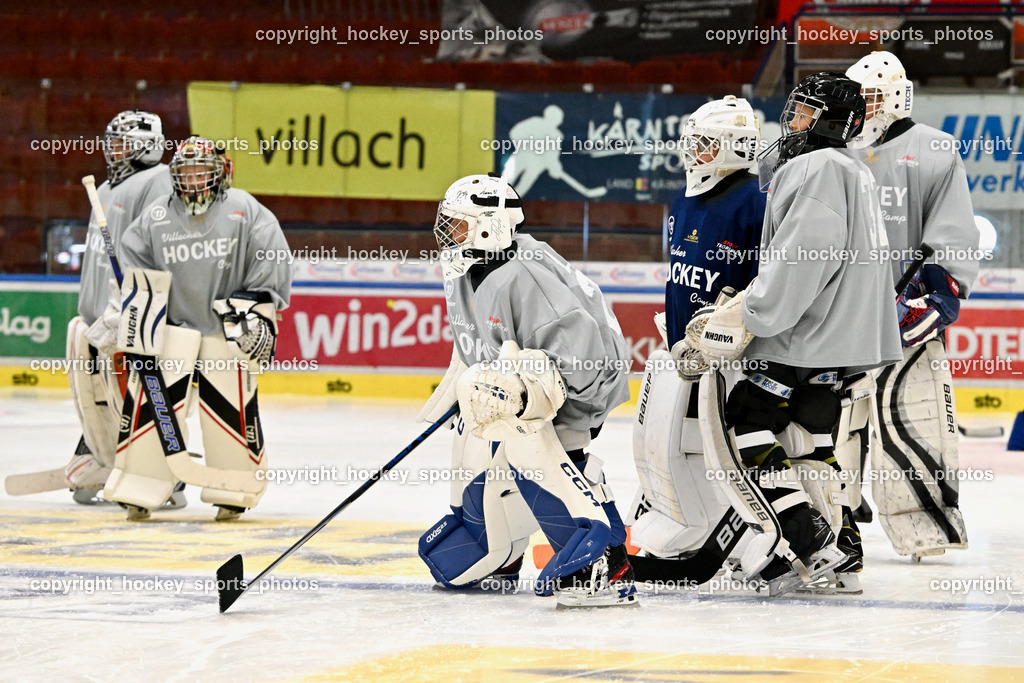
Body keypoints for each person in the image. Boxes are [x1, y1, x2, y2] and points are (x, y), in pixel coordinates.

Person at [689, 72, 901, 591]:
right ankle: (844, 547)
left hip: (808, 335)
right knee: (813, 438)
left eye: (806, 112)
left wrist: (750, 312)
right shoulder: (854, 169)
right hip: (841, 340)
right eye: (795, 109)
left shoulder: (819, 167)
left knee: (748, 420)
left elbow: (802, 260)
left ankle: (811, 541)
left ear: (832, 121)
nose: (793, 120)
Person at [416, 173, 636, 607]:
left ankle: (606, 566)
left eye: (457, 224)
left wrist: (526, 402)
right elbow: (477, 343)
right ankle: (498, 550)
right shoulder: (467, 267)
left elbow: (584, 361)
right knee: (476, 453)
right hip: (525, 382)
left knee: (540, 460)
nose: (446, 233)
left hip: (576, 389)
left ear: (489, 227)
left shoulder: (526, 276)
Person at [105, 136, 291, 521]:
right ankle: (139, 483)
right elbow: (137, 270)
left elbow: (271, 259)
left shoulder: (245, 209)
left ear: (220, 172)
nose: (192, 180)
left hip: (225, 330)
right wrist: (140, 320)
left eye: (200, 172)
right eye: (185, 173)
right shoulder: (156, 215)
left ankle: (234, 488)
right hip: (170, 330)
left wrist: (255, 311)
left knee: (230, 412)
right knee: (150, 409)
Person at [839, 51, 979, 560]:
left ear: (900, 95)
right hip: (841, 318)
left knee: (914, 419)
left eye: (874, 95)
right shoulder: (839, 152)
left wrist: (941, 290)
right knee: (839, 427)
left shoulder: (934, 149)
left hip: (906, 314)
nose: (867, 107)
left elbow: (953, 225)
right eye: (860, 98)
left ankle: (925, 523)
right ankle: (837, 524)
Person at [628, 96, 767, 580]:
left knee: (721, 447)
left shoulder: (759, 198)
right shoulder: (683, 197)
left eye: (707, 144)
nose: (695, 154)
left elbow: (766, 282)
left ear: (737, 147)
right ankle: (686, 526)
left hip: (734, 357)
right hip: (683, 351)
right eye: (693, 144)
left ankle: (740, 535)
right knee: (665, 441)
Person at [63, 110, 172, 503]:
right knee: (100, 395)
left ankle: (160, 469)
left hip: (127, 318)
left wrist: (132, 306)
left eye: (123, 142)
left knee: (131, 394)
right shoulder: (107, 186)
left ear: (147, 145)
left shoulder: (157, 180)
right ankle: (101, 452)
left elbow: (157, 249)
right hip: (97, 320)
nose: (113, 150)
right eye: (111, 141)